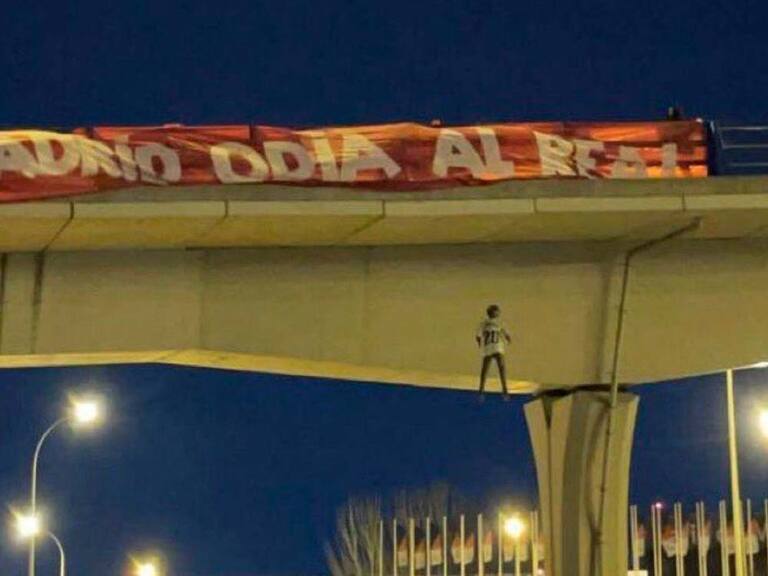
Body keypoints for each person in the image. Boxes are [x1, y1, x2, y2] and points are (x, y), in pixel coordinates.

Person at [476, 304, 511, 400]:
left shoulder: (494, 323)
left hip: (494, 347)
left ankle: (502, 390)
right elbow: (478, 334)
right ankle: (482, 391)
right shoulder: (486, 323)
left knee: (498, 368)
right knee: (490, 369)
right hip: (492, 347)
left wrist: (507, 337)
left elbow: (505, 333)